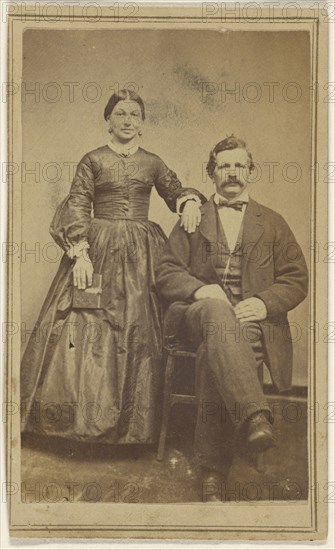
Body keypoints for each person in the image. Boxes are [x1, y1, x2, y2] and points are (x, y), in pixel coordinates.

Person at [21, 89, 206, 445]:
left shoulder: (152, 162)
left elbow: (175, 190)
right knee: (88, 322)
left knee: (140, 325)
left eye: (134, 115)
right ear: (108, 119)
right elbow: (77, 203)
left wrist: (189, 201)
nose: (127, 121)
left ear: (142, 123)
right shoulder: (92, 160)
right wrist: (80, 252)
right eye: (120, 114)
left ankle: (139, 427)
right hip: (97, 246)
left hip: (143, 251)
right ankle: (77, 424)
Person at [155, 135, 308, 498]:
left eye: (239, 165)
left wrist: (265, 303)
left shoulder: (272, 222)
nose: (232, 172)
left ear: (251, 172)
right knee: (214, 309)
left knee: (214, 354)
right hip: (196, 317)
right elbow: (165, 272)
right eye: (224, 166)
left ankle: (212, 472)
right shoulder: (193, 218)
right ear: (212, 174)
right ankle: (256, 414)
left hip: (250, 324)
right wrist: (199, 290)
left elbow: (297, 278)